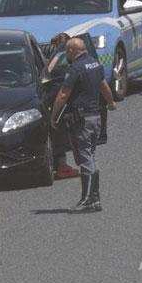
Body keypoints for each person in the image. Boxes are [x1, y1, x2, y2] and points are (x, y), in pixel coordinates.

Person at [50, 37, 116, 211]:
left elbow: (63, 95)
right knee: (91, 156)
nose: (66, 54)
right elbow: (104, 87)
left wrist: (53, 115)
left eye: (66, 51)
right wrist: (111, 103)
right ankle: (95, 198)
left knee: (85, 157)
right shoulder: (94, 64)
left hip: (82, 119)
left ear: (72, 51)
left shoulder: (75, 68)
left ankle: (88, 199)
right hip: (95, 117)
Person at [46, 32, 79, 180]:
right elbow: (49, 71)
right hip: (58, 97)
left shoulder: (51, 56)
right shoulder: (60, 58)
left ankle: (60, 164)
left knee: (59, 132)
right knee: (61, 132)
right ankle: (61, 166)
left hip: (54, 96)